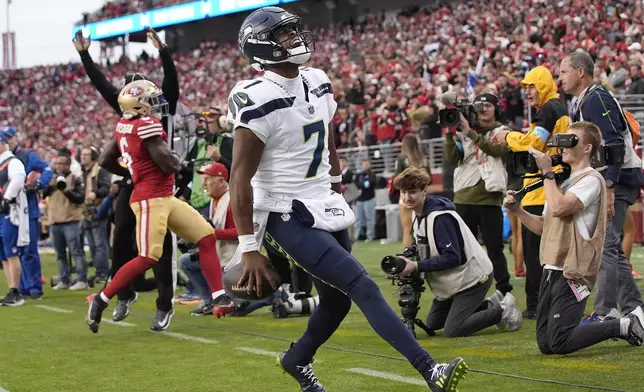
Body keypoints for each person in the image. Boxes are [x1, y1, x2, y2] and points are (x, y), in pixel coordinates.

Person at [227, 7, 467, 392]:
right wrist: (249, 246)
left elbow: (329, 138)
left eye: (294, 32)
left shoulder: (318, 80)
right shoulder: (254, 96)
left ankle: (297, 359)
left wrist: (336, 185)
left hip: (323, 199)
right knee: (363, 285)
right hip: (284, 209)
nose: (296, 40)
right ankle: (430, 371)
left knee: (337, 302)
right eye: (284, 36)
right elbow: (239, 176)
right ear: (262, 47)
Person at [86, 80, 234, 334]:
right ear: (139, 106)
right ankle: (101, 299)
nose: (157, 106)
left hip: (164, 196)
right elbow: (166, 162)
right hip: (149, 200)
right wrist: (178, 164)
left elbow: (106, 158)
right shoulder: (145, 126)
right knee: (147, 257)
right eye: (151, 101)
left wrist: (131, 172)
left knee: (206, 237)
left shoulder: (126, 125)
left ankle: (219, 295)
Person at [503, 121, 644, 353]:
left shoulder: (591, 180)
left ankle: (621, 324)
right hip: (552, 267)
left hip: (572, 270)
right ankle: (613, 321)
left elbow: (559, 208)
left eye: (571, 140)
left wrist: (547, 173)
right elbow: (543, 227)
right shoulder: (564, 182)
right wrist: (517, 210)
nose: (564, 146)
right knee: (547, 344)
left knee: (559, 342)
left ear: (587, 148)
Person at [74, 28, 179, 330]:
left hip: (161, 187)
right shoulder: (127, 114)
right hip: (136, 184)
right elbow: (102, 84)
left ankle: (164, 304)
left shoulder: (161, 107)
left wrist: (164, 52)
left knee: (160, 251)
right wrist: (84, 54)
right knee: (120, 241)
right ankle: (124, 293)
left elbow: (171, 85)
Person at [559, 51, 644, 322]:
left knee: (606, 245)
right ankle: (633, 307)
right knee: (611, 246)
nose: (559, 77)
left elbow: (614, 144)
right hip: (611, 177)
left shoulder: (596, 98)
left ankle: (606, 310)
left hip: (618, 178)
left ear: (580, 72)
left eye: (563, 71)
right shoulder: (583, 99)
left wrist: (608, 186)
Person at [394, 167, 522, 337]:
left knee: (453, 329)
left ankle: (503, 309)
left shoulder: (440, 217)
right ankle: (489, 305)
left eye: (412, 192)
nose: (406, 197)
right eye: (403, 192)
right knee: (434, 323)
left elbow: (453, 257)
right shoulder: (417, 214)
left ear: (424, 191)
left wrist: (417, 265)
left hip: (473, 278)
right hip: (454, 281)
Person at [492, 66, 570, 319]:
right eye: (525, 87)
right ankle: (548, 303)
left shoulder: (550, 109)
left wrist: (508, 137)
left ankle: (537, 306)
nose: (527, 92)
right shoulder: (556, 107)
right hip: (551, 185)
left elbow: (533, 145)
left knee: (534, 249)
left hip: (542, 189)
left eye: (531, 86)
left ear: (543, 85)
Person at [444, 93, 513, 298]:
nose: (483, 109)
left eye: (487, 105)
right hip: (464, 197)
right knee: (466, 251)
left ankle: (504, 291)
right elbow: (452, 158)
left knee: (495, 250)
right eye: (479, 106)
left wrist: (470, 133)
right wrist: (450, 133)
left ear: (496, 108)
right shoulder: (464, 130)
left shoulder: (503, 131)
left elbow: (496, 150)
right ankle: (469, 294)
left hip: (489, 199)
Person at [180, 162, 238, 316]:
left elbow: (242, 231)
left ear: (220, 181)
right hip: (221, 256)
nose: (203, 183)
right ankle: (209, 301)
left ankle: (271, 297)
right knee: (186, 261)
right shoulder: (214, 200)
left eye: (207, 179)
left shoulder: (233, 200)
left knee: (233, 309)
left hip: (235, 260)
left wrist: (211, 232)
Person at [3, 126, 53, 299]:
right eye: (5, 138)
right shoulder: (4, 159)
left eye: (9, 137)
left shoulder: (26, 155)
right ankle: (20, 287)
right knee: (14, 251)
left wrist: (39, 185)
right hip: (8, 212)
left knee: (29, 249)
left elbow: (47, 169)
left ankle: (33, 288)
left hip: (27, 209)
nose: (7, 141)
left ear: (15, 138)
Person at [0, 132, 28, 306]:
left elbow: (19, 178)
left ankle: (15, 291)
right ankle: (11, 289)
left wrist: (7, 198)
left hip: (9, 212)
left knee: (11, 252)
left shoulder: (12, 161)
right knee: (3, 255)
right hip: (1, 212)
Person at [395, 134, 431, 248]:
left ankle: (408, 254)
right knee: (426, 227)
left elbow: (397, 179)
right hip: (423, 196)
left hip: (406, 197)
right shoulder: (423, 159)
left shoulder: (402, 158)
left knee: (407, 229)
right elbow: (430, 180)